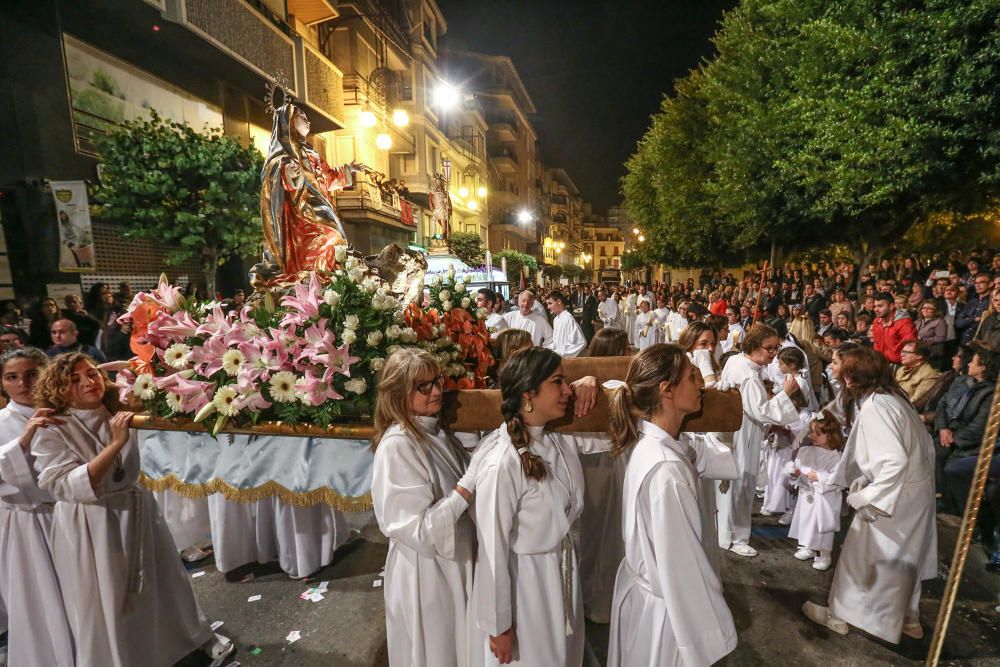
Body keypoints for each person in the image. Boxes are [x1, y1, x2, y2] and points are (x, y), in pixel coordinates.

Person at [31, 353, 232, 665]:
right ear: (58, 389)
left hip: (135, 505)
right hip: (92, 520)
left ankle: (187, 637)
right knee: (110, 595)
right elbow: (62, 484)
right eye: (74, 380)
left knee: (164, 576)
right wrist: (114, 444)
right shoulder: (52, 427)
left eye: (92, 374)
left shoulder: (117, 408)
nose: (88, 382)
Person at [469, 347, 605, 666]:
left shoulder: (556, 439)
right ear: (529, 393)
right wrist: (499, 624)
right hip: (526, 587)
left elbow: (613, 435)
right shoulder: (501, 462)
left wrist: (597, 383)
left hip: (559, 574)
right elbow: (491, 548)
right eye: (558, 382)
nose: (567, 390)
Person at [606, 344, 738, 666]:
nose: (701, 385)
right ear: (666, 390)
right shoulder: (667, 471)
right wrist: (711, 635)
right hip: (669, 618)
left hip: (647, 601)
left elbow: (693, 450)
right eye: (692, 377)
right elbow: (684, 567)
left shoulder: (653, 444)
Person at [803, 346, 937, 644]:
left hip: (893, 498)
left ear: (852, 378)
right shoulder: (895, 398)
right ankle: (908, 618)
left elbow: (894, 461)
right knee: (904, 561)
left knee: (861, 559)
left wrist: (865, 497)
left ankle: (839, 615)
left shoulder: (877, 406)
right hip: (914, 494)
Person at [371, 348, 478, 666]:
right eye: (424, 386)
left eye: (438, 381)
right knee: (439, 651)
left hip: (452, 561)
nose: (436, 391)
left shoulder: (435, 430)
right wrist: (465, 490)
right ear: (398, 394)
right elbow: (416, 529)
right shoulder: (399, 445)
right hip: (427, 572)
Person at [0, 347, 74, 666]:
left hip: (72, 513)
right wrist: (24, 440)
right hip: (27, 522)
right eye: (12, 377)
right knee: (41, 599)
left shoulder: (67, 410)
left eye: (31, 374)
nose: (22, 383)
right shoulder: (3, 422)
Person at [715, 324, 800, 557]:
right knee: (742, 483)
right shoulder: (749, 376)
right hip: (745, 432)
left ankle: (725, 532)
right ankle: (736, 537)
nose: (774, 353)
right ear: (753, 346)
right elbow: (761, 411)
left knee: (732, 485)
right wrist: (786, 394)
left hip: (733, 429)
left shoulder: (736, 361)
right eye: (769, 348)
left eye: (776, 348)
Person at [937, 344, 1000, 518]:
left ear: (983, 367)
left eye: (973, 362)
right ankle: (941, 497)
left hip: (967, 441)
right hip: (948, 431)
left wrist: (953, 439)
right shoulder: (961, 381)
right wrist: (942, 428)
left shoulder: (990, 393)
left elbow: (978, 427)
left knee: (947, 461)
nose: (969, 364)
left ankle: (965, 514)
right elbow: (943, 404)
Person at [785, 410, 845, 572]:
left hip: (825, 499)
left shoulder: (835, 457)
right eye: (811, 432)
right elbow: (798, 469)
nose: (812, 436)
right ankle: (808, 547)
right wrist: (795, 473)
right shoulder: (806, 451)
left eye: (818, 433)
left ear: (831, 435)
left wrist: (818, 476)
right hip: (807, 494)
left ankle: (824, 554)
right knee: (807, 521)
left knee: (822, 525)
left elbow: (839, 479)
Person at [871, 292, 917, 364]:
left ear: (891, 306)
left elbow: (910, 346)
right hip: (883, 363)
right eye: (875, 306)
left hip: (900, 364)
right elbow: (876, 344)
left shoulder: (904, 323)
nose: (876, 309)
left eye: (880, 306)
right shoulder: (877, 321)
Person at [895, 339, 940, 404]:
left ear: (919, 356)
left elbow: (917, 401)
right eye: (902, 351)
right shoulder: (901, 369)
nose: (902, 354)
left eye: (906, 352)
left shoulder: (929, 374)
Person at [545, 290, 587, 358]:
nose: (548, 307)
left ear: (559, 301)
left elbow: (581, 343)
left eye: (550, 303)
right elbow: (556, 342)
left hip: (566, 361)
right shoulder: (556, 320)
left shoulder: (568, 318)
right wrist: (546, 349)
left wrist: (561, 354)